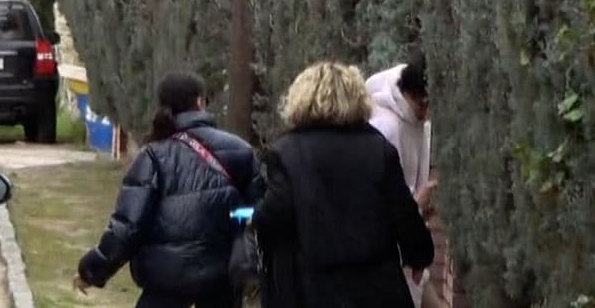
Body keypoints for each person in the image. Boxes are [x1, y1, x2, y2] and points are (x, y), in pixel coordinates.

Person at [73, 71, 264, 308]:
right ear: (200, 102)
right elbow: (257, 211)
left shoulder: (152, 156)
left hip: (164, 281)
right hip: (221, 279)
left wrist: (93, 270)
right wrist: (234, 218)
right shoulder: (240, 151)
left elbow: (128, 226)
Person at [253, 62, 434, 308]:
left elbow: (270, 220)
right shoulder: (378, 150)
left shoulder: (286, 153)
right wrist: (419, 256)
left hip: (313, 289)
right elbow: (405, 217)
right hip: (377, 290)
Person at [366, 51, 442, 308]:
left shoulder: (415, 124)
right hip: (391, 252)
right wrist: (416, 203)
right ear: (406, 95)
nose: (425, 111)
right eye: (421, 104)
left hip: (407, 248)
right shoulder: (385, 127)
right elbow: (381, 197)